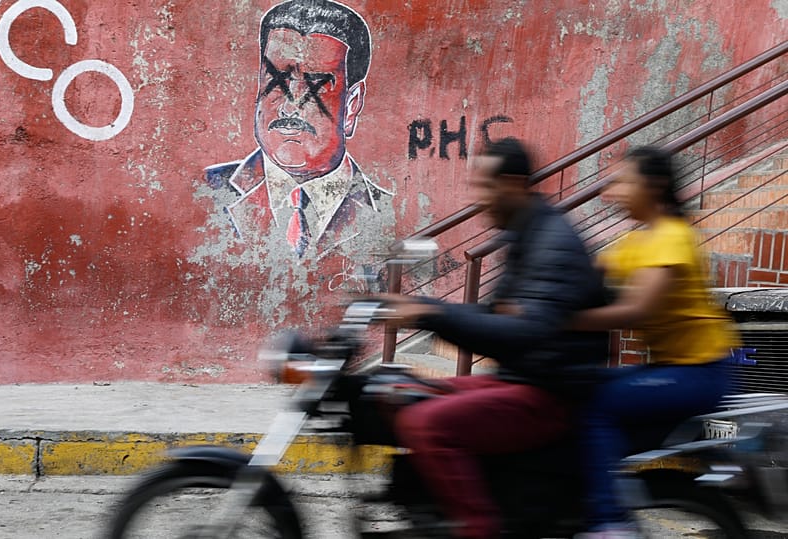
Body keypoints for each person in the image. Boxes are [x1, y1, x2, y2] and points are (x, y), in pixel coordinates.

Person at [381, 138, 610, 539]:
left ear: (513, 183)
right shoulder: (526, 233)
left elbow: (523, 333)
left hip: (549, 392)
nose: (478, 199)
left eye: (485, 186)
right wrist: (423, 306)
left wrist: (430, 315)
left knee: (427, 423)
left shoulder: (552, 242)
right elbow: (495, 315)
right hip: (521, 378)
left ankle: (478, 528)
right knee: (403, 392)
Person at [571, 146, 741, 539]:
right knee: (577, 401)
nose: (611, 193)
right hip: (670, 369)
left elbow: (636, 309)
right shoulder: (636, 241)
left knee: (594, 406)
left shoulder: (672, 237)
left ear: (656, 185)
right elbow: (585, 275)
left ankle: (610, 522)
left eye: (623, 182)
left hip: (699, 372)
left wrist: (564, 320)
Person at [204, 0, 392, 258]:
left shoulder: (392, 213)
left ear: (352, 105)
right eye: (276, 81)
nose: (289, 108)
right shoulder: (206, 191)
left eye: (316, 86)